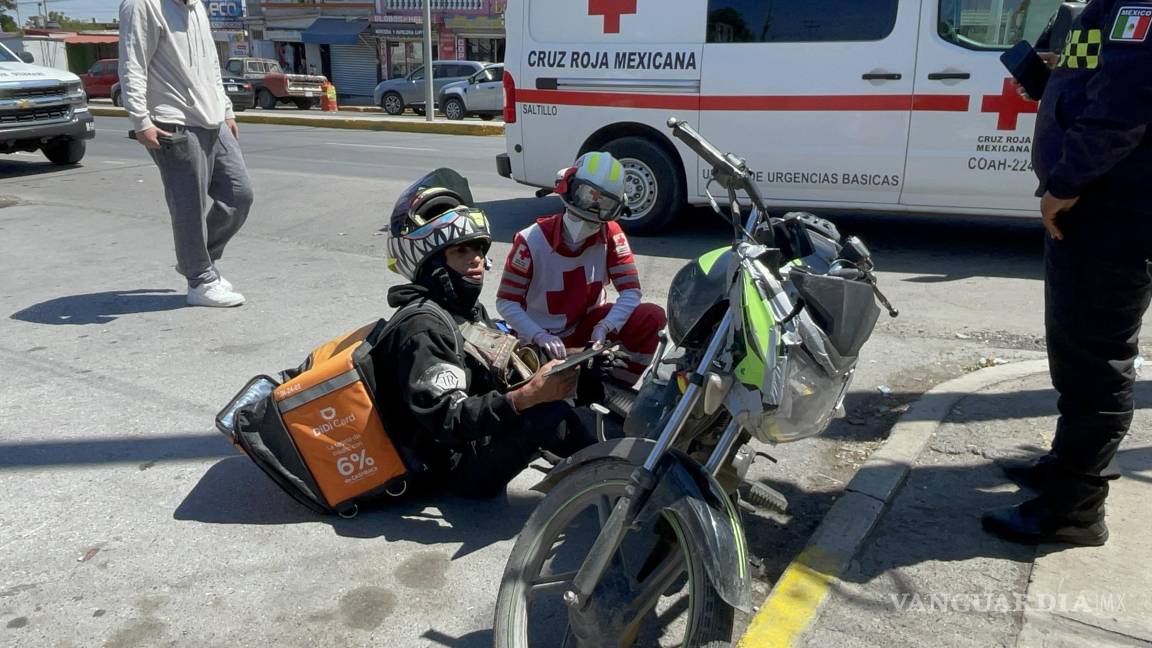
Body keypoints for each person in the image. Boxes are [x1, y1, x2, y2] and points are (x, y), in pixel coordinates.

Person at [983, 0, 1152, 546]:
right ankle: (1065, 467)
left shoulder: (1138, 3)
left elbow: (1126, 102)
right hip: (1103, 203)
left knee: (1094, 361)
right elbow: (1098, 67)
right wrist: (1059, 75)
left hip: (1112, 206)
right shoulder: (1106, 4)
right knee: (1077, 350)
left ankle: (1075, 509)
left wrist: (1066, 183)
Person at [376, 173, 595, 498]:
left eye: (479, 248)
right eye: (462, 251)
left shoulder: (462, 310)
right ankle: (616, 480)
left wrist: (567, 358)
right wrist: (529, 396)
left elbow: (499, 361)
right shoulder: (424, 328)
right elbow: (449, 421)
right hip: (454, 466)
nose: (477, 259)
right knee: (548, 414)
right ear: (434, 263)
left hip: (479, 433)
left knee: (584, 370)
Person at [119, 0, 254, 307]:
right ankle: (200, 280)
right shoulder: (142, 6)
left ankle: (198, 259)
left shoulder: (196, 8)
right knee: (189, 204)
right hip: (172, 120)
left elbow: (210, 65)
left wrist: (227, 109)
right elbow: (132, 64)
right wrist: (141, 120)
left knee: (239, 193)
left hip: (213, 118)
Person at [496, 152, 667, 385]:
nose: (583, 224)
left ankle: (617, 384)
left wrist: (605, 326)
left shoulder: (611, 234)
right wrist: (539, 335)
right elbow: (506, 301)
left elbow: (631, 292)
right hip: (538, 336)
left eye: (595, 218)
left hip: (587, 328)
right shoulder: (530, 241)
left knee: (651, 316)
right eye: (580, 211)